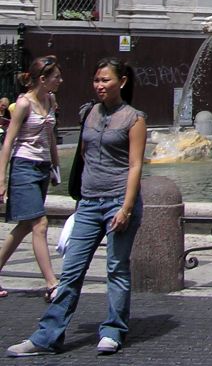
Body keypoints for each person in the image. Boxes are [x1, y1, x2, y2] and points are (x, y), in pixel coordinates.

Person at [7, 58, 145, 357]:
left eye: (105, 80)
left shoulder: (134, 119)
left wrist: (127, 207)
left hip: (118, 202)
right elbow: (84, 155)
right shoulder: (90, 113)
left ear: (121, 82)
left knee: (116, 268)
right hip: (89, 203)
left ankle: (113, 331)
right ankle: (47, 337)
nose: (99, 85)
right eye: (96, 80)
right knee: (70, 271)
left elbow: (135, 166)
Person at [0, 58, 61, 301]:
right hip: (24, 166)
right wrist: (2, 180)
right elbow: (8, 143)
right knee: (40, 224)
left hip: (42, 167)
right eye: (56, 76)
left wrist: (56, 165)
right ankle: (52, 283)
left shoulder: (51, 99)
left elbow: (51, 136)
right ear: (43, 79)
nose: (60, 80)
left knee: (25, 225)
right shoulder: (24, 104)